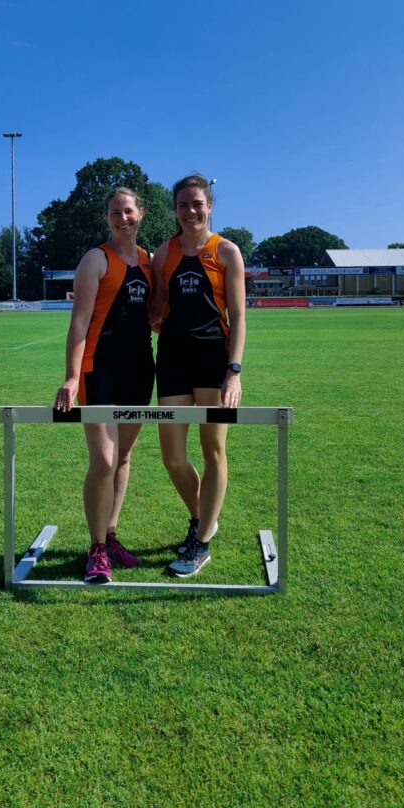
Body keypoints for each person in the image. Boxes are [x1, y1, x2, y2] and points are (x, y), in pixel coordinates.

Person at [54, 187, 155, 583]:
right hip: (100, 371)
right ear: (106, 218)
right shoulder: (95, 259)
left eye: (128, 211)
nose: (123, 218)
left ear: (141, 213)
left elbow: (154, 315)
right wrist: (71, 377)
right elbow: (79, 322)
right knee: (104, 460)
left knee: (124, 457)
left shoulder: (148, 261)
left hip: (139, 371)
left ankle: (110, 535)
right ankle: (96, 549)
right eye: (115, 212)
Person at [149, 174, 246, 577]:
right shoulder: (162, 254)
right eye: (183, 205)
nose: (190, 211)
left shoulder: (226, 251)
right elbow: (157, 309)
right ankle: (202, 517)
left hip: (213, 361)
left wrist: (233, 372)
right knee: (172, 457)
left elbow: (238, 317)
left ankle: (201, 543)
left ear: (210, 206)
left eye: (197, 204)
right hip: (172, 359)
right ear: (174, 210)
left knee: (213, 451)